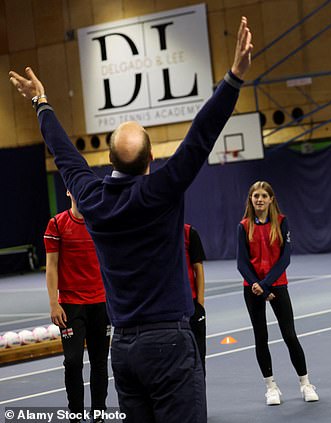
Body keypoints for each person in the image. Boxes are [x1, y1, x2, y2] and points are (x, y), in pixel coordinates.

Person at [9, 16, 253, 422]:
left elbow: (66, 155)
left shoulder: (92, 198)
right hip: (169, 344)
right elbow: (201, 136)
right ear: (151, 160)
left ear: (107, 161)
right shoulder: (161, 190)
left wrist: (41, 102)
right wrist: (233, 78)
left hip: (123, 348)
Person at [236, 181, 319, 406]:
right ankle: (271, 387)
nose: (260, 199)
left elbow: (286, 257)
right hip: (252, 288)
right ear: (251, 200)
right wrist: (258, 286)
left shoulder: (281, 223)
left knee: (290, 335)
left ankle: (305, 383)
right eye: (256, 196)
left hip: (276, 285)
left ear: (271, 199)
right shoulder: (243, 227)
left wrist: (266, 284)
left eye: (264, 195)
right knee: (261, 337)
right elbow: (242, 263)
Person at [44, 191, 110, 423]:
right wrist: (54, 303)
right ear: (68, 192)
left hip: (101, 304)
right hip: (71, 306)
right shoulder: (56, 224)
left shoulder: (100, 222)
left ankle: (99, 414)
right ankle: (76, 415)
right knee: (72, 362)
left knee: (99, 361)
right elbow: (51, 266)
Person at [185, 224, 207, 372]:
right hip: (167, 309)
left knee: (198, 358)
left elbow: (198, 269)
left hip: (192, 305)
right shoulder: (155, 233)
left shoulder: (189, 233)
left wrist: (199, 303)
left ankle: (199, 395)